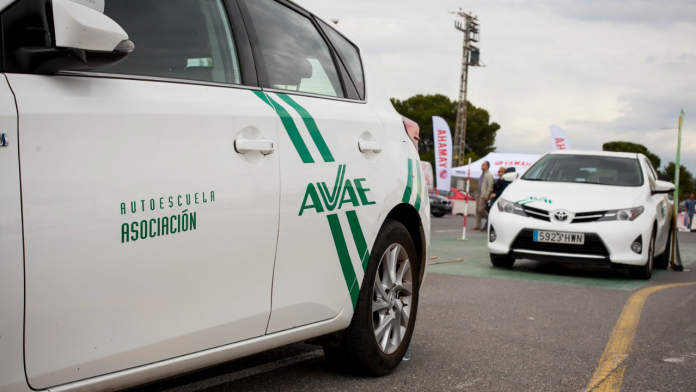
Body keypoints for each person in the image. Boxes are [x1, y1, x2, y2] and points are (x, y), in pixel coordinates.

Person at [474, 161, 494, 231]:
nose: (482, 166)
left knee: (481, 209)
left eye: (483, 165)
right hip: (479, 194)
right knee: (477, 210)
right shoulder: (482, 174)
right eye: (482, 165)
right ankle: (477, 225)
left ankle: (490, 220)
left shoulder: (489, 175)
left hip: (484, 195)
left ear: (487, 166)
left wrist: (487, 195)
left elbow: (490, 185)